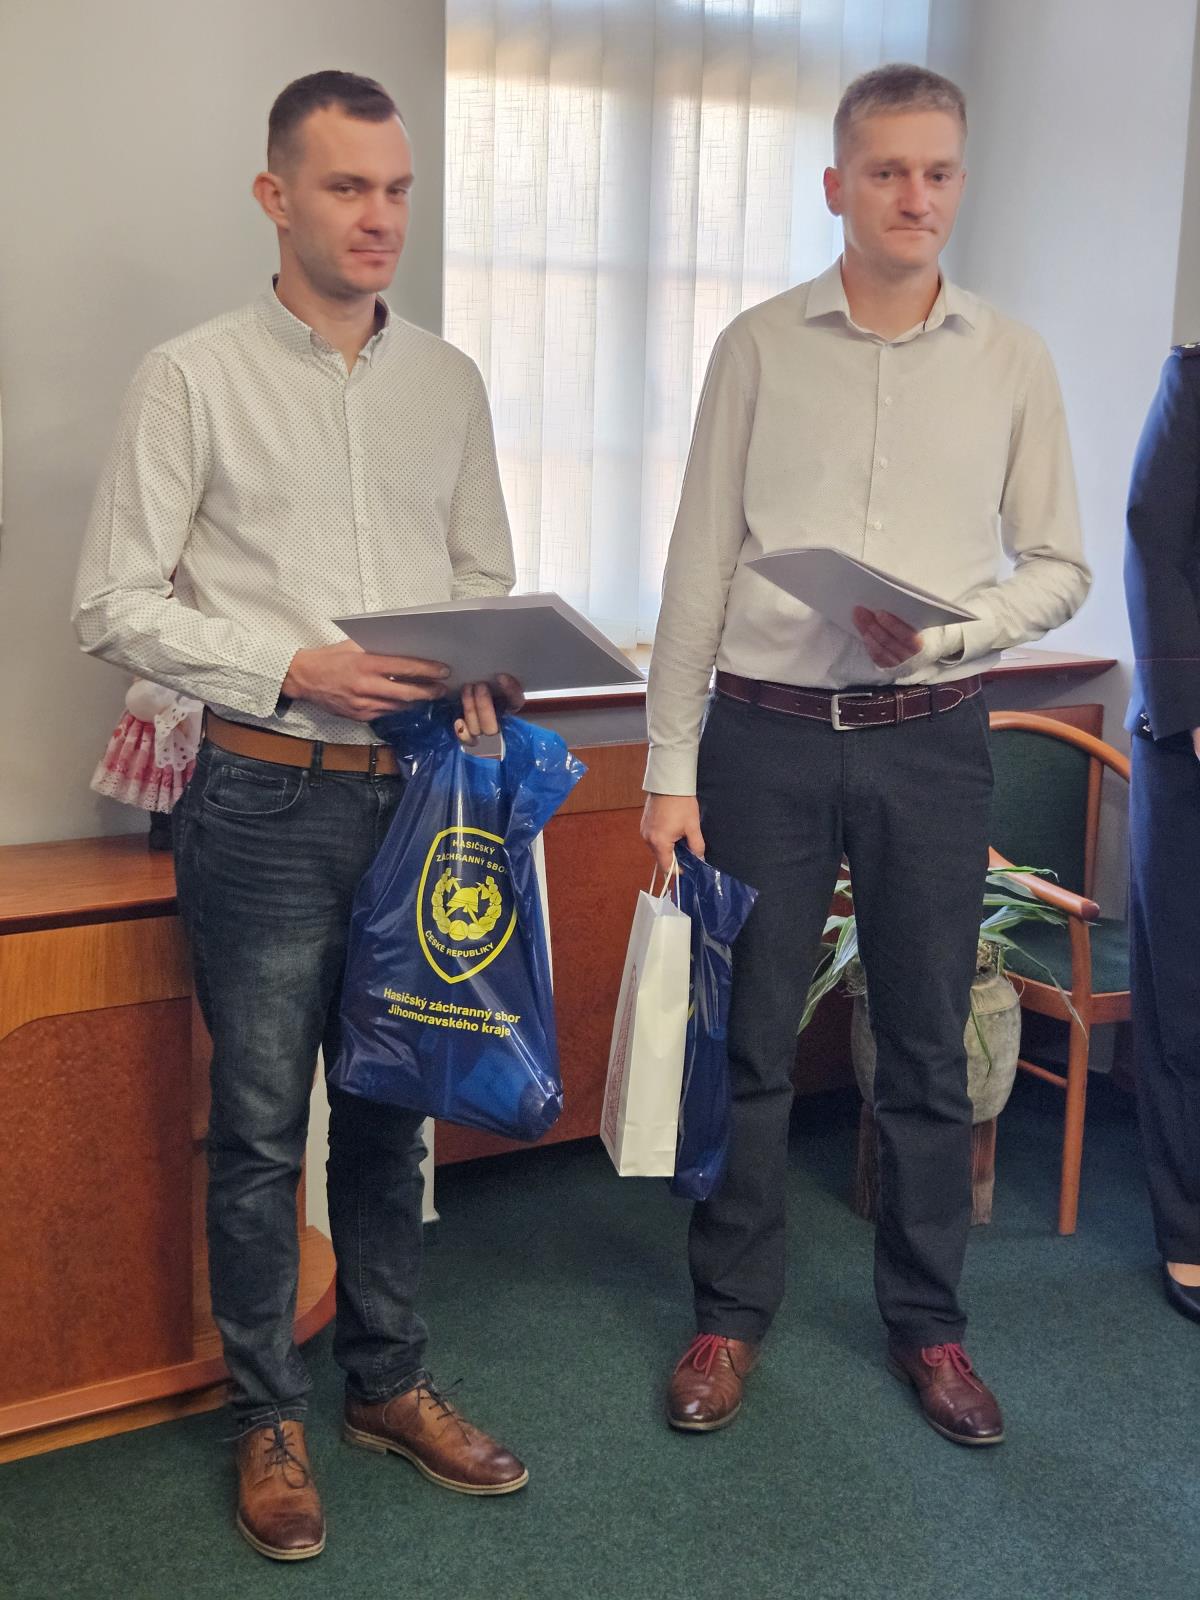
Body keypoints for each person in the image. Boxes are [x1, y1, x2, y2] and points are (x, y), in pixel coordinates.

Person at [73, 70, 527, 1562]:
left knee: (392, 1113)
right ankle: (267, 1414)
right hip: (263, 797)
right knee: (263, 1130)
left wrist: (485, 666)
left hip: (418, 802)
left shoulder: (449, 383)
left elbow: (480, 579)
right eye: (347, 187)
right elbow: (112, 601)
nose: (379, 216)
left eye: (397, 189)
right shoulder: (190, 377)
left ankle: (385, 1385)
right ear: (276, 198)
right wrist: (291, 664)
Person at [641, 63, 1090, 1446]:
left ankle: (930, 1328)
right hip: (764, 740)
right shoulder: (758, 347)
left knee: (925, 1046)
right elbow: (699, 562)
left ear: (960, 181)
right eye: (887, 170)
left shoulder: (1011, 358)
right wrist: (667, 767)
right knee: (751, 1038)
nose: (915, 195)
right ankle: (730, 1314)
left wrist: (956, 636)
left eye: (937, 171)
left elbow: (1060, 564)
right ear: (837, 184)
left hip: (929, 741)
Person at [1124, 341, 1200, 1325]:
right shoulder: (1196, 378)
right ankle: (1189, 1230)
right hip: (1190, 751)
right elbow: (1154, 542)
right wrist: (1192, 711)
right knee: (1188, 998)